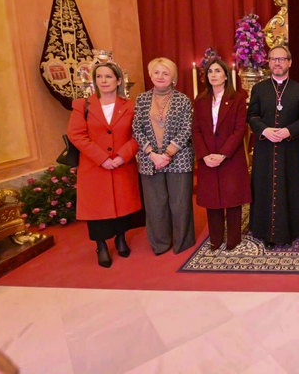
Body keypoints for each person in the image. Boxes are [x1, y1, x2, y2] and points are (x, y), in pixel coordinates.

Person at [67, 61, 141, 268]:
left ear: (118, 80)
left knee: (123, 205)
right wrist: (102, 158)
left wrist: (123, 156)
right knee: (96, 210)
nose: (103, 80)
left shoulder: (130, 106)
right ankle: (101, 246)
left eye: (108, 76)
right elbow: (76, 134)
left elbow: (138, 135)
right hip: (94, 167)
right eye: (99, 77)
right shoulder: (82, 105)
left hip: (122, 165)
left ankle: (121, 238)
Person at [248, 45, 299, 249]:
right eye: (273, 59)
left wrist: (288, 131)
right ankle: (266, 232)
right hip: (265, 148)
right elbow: (252, 116)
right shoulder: (259, 89)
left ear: (289, 62)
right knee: (265, 187)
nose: (277, 63)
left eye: (281, 59)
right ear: (269, 62)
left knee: (290, 187)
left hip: (289, 149)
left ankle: (291, 230)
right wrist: (265, 130)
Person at [132, 57, 196, 255]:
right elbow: (136, 128)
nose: (160, 76)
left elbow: (187, 128)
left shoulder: (183, 100)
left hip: (179, 158)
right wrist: (152, 153)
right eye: (156, 72)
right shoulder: (141, 99)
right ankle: (160, 243)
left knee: (180, 203)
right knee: (155, 205)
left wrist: (167, 153)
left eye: (165, 73)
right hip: (149, 159)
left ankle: (183, 242)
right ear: (150, 75)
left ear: (173, 77)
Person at [192, 51, 251, 251]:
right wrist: (204, 155)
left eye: (217, 71)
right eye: (210, 72)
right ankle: (215, 238)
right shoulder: (200, 100)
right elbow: (196, 130)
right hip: (208, 157)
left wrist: (223, 154)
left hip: (230, 157)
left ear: (226, 75)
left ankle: (233, 238)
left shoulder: (237, 99)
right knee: (212, 200)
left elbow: (240, 130)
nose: (213, 75)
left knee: (232, 199)